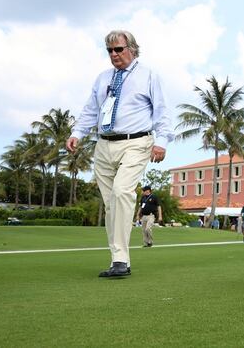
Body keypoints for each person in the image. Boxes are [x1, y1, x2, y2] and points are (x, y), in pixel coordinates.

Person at [67, 30, 172, 279]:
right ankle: (117, 258)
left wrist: (163, 142)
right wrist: (77, 133)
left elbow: (162, 110)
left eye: (119, 49)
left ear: (132, 49)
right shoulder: (102, 78)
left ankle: (121, 260)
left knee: (122, 192)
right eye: (110, 51)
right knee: (111, 205)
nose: (114, 54)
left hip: (136, 142)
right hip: (103, 145)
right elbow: (91, 110)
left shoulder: (148, 75)